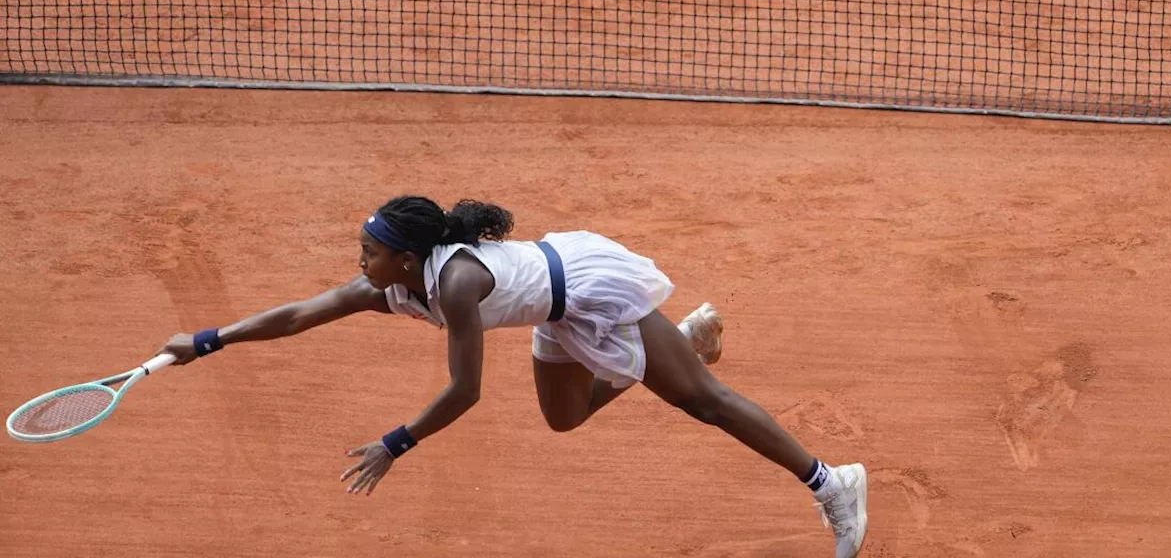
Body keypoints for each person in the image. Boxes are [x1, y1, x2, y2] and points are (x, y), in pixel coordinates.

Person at [158, 195, 868, 557]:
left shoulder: (458, 285)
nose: (359, 261)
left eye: (369, 251)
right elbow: (297, 314)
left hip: (590, 285)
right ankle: (677, 342)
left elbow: (465, 392)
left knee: (703, 402)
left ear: (406, 260)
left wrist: (395, 442)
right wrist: (208, 341)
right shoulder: (387, 285)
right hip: (555, 313)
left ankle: (832, 483)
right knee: (565, 417)